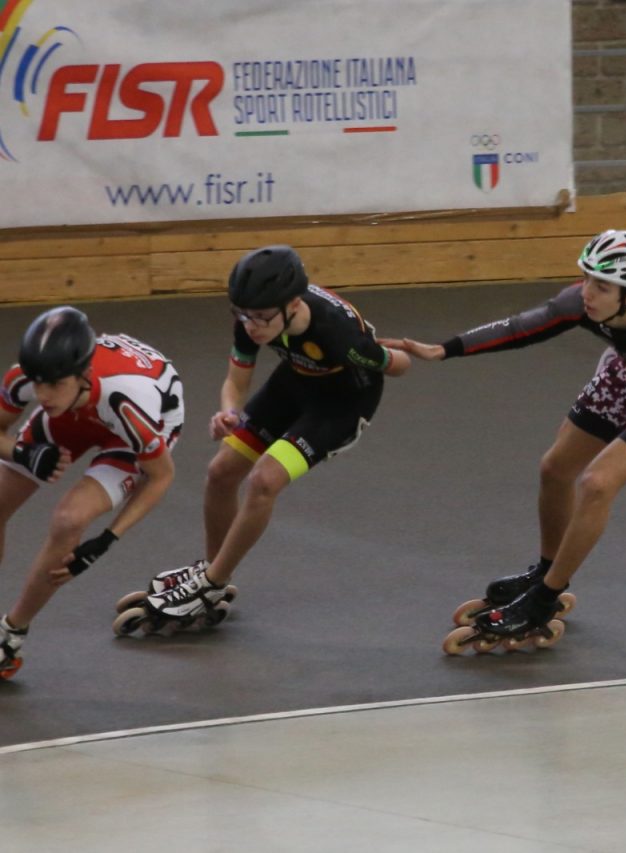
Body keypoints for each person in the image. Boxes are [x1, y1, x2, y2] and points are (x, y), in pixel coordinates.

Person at [385, 229, 626, 642]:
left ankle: (544, 599)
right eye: (587, 278)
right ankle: (547, 570)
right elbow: (519, 328)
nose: (586, 293)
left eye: (601, 286)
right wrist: (445, 349)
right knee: (555, 469)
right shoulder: (583, 302)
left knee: (597, 483)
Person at [136, 245, 410, 626]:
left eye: (262, 317)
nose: (252, 326)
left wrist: (388, 351)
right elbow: (236, 382)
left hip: (341, 405)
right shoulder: (253, 316)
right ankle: (213, 574)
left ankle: (210, 584)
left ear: (294, 305)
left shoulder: (336, 334)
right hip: (295, 382)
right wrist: (229, 412)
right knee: (220, 472)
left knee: (264, 480)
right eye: (243, 315)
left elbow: (399, 366)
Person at [0, 306, 184, 677]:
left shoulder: (129, 405)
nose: (42, 395)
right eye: (37, 384)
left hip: (138, 423)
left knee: (69, 520)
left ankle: (10, 636)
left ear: (83, 374)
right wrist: (22, 453)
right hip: (82, 409)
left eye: (54, 385)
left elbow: (161, 477)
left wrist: (106, 539)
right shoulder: (30, 375)